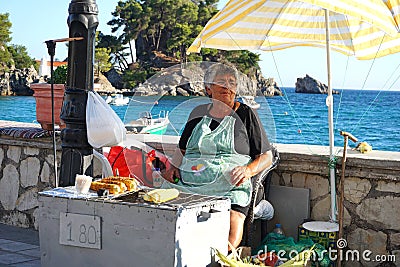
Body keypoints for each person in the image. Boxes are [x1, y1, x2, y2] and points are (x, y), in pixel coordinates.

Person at [164, 63, 274, 249]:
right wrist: (173, 168)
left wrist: (247, 171)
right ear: (208, 88)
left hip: (230, 185)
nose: (227, 86)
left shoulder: (246, 114)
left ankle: (224, 257)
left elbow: (267, 157)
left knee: (232, 221)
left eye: (232, 82)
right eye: (221, 82)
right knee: (168, 215)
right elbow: (182, 150)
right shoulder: (197, 113)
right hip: (192, 183)